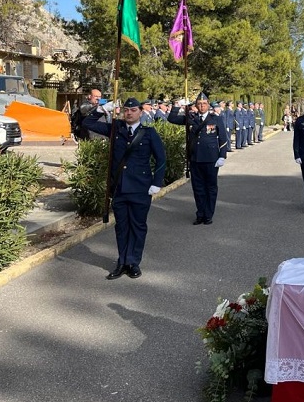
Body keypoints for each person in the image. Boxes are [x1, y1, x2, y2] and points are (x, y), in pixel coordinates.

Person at [82, 97, 166, 280]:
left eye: (133, 110)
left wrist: (156, 183)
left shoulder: (149, 133)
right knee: (121, 227)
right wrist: (102, 109)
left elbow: (161, 159)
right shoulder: (115, 128)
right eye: (126, 110)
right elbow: (87, 122)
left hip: (141, 188)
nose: (129, 113)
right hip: (119, 187)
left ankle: (133, 262)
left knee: (138, 226)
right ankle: (122, 262)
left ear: (140, 113)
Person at [167, 91, 228, 225]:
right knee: (198, 188)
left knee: (211, 188)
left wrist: (222, 156)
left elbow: (223, 139)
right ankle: (200, 214)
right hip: (195, 159)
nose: (202, 106)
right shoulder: (191, 118)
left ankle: (208, 215)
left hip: (211, 160)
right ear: (196, 105)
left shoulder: (215, 119)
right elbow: (171, 119)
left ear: (208, 105)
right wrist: (177, 105)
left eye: (204, 104)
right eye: (199, 104)